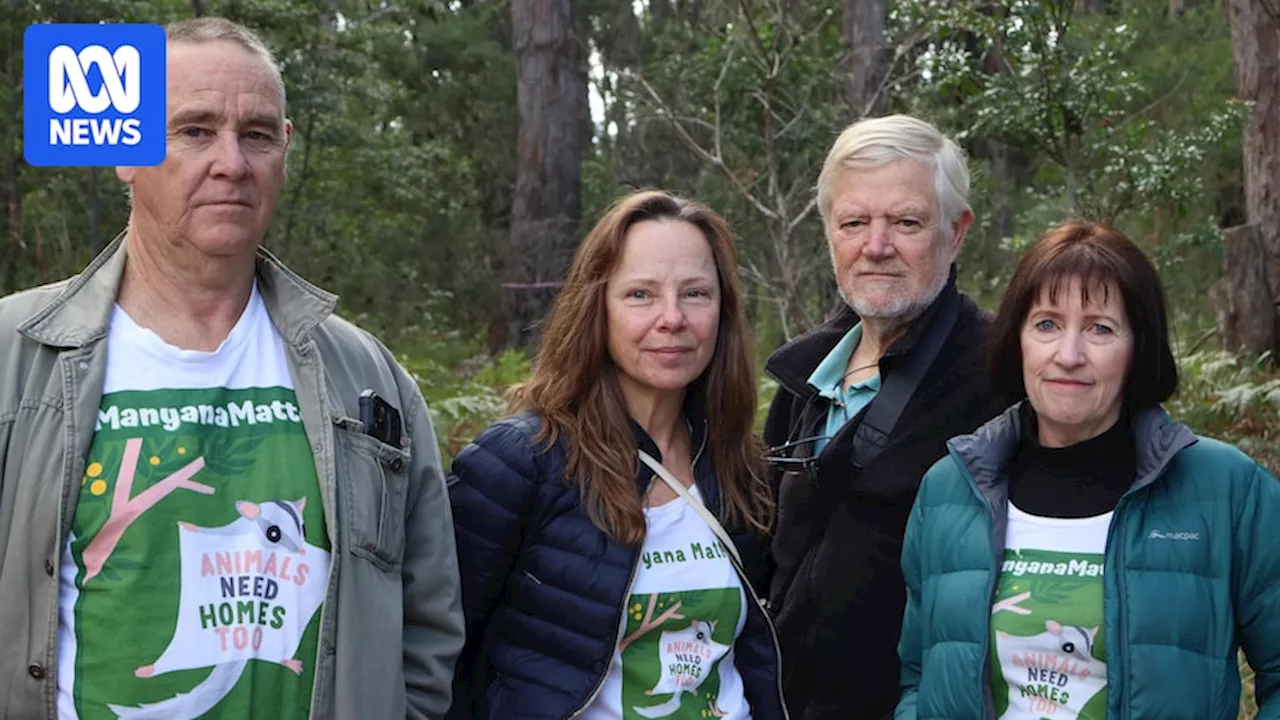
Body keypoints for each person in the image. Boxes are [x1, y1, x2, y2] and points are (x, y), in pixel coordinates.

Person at [0, 18, 463, 719]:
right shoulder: (15, 355)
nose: (231, 163)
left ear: (285, 148)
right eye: (194, 131)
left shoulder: (367, 376)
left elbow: (427, 622)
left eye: (256, 134)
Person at [896, 221, 1280, 719]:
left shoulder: (1227, 489)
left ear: (1138, 347)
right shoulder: (949, 490)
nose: (1069, 355)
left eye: (1100, 327)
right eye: (1047, 325)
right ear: (1018, 341)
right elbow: (918, 677)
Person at [445, 189, 785, 719]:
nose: (672, 318)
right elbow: (441, 657)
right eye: (641, 295)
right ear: (597, 307)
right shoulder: (522, 463)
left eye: (695, 293)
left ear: (724, 310)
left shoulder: (740, 468)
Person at [762, 114, 1012, 719]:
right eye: (854, 223)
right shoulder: (803, 382)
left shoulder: (1003, 381)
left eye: (906, 222)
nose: (876, 246)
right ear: (830, 234)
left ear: (956, 233)